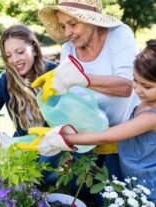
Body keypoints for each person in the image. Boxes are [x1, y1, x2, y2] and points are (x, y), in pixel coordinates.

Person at [36, 39, 156, 206]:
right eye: (135, 80)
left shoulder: (153, 116)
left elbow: (106, 137)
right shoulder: (150, 100)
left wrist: (64, 139)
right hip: (133, 177)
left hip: (148, 186)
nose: (137, 89)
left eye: (146, 86)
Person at [31, 0, 140, 180]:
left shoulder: (119, 35)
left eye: (73, 24)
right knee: (74, 189)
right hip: (89, 137)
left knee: (113, 197)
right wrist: (59, 130)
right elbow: (75, 103)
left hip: (123, 139)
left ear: (93, 20)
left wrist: (84, 79)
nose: (67, 33)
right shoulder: (69, 50)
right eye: (63, 26)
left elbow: (127, 86)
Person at [0, 24, 59, 184]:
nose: (14, 60)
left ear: (34, 49)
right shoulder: (5, 80)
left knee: (40, 179)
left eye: (20, 52)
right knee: (4, 177)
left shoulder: (54, 73)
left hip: (53, 143)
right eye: (8, 55)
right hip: (24, 141)